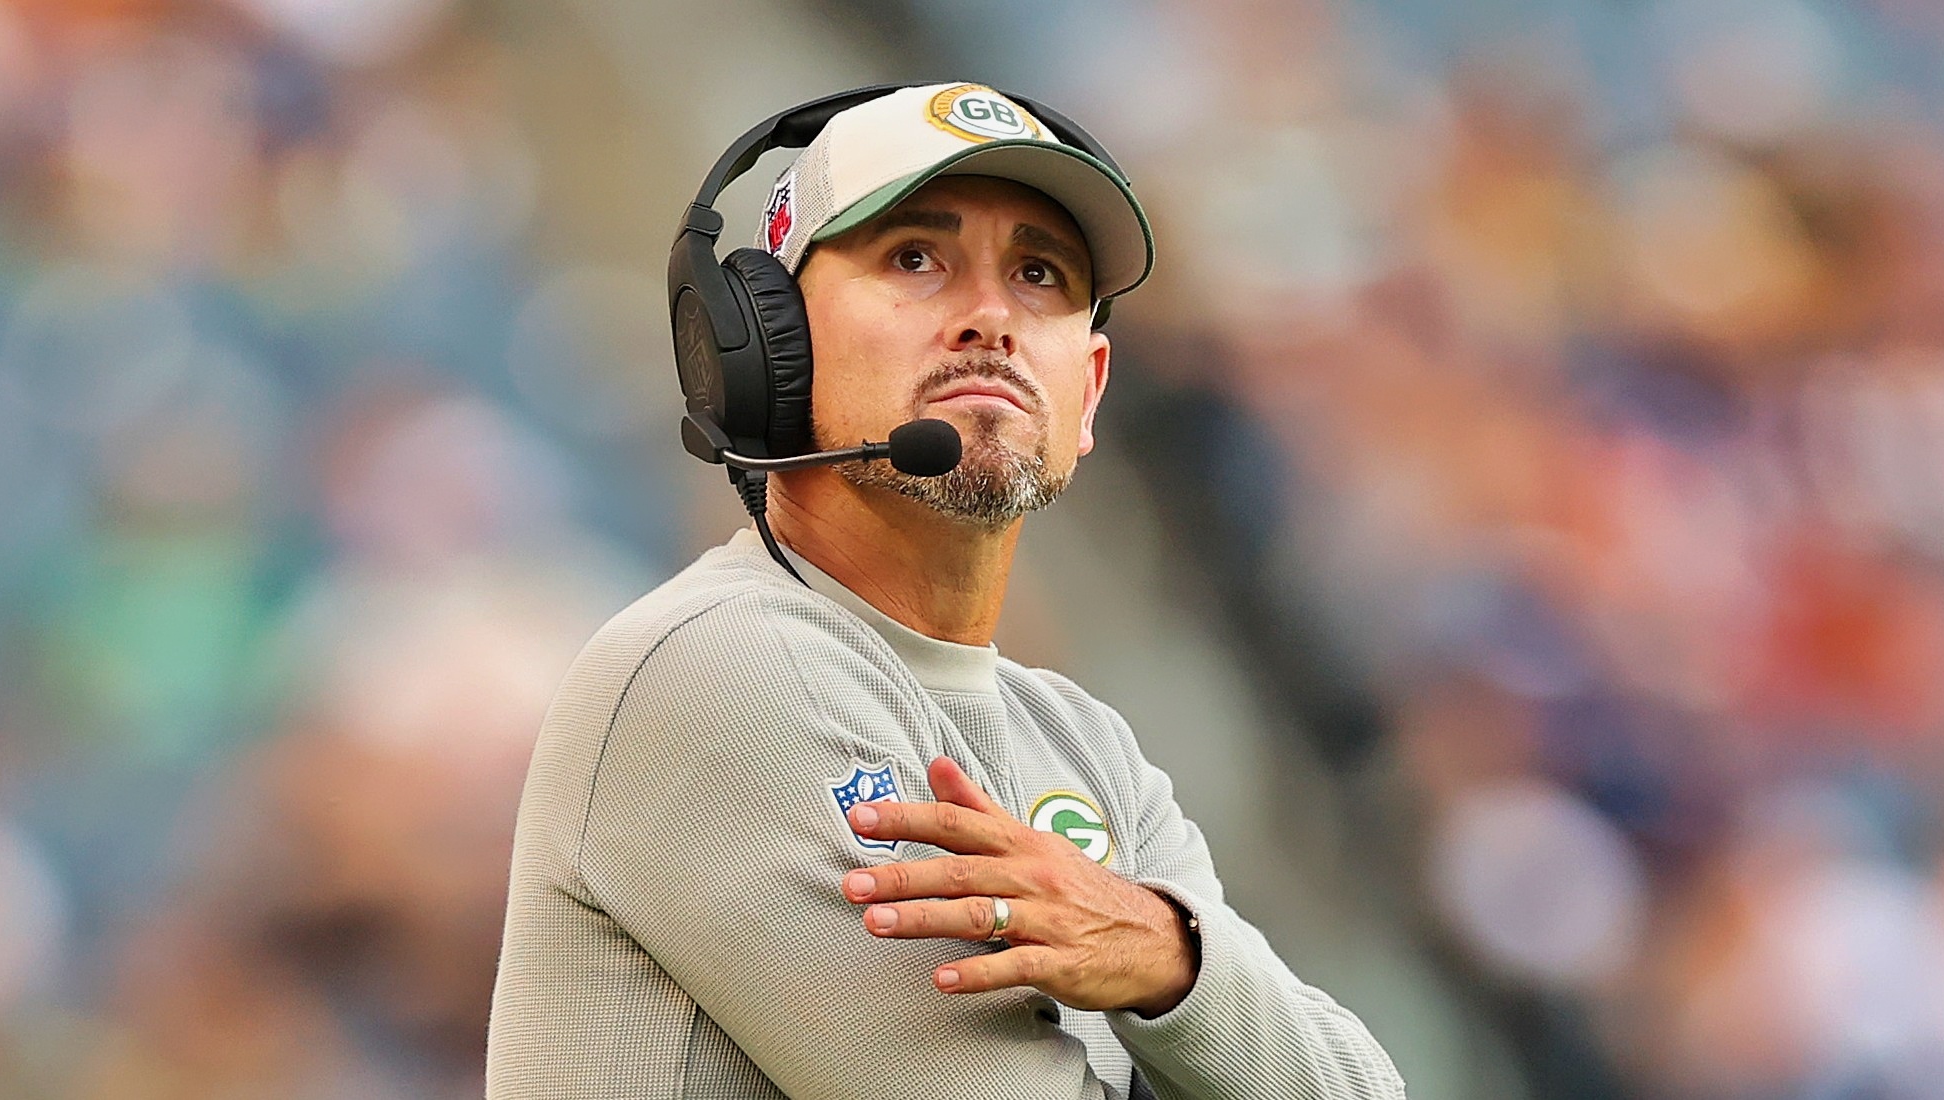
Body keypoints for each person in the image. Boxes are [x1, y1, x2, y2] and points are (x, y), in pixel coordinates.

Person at [486, 82, 1405, 1099]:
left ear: (1089, 389)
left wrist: (1168, 953)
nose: (989, 318)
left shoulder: (1085, 745)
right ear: (761, 348)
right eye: (914, 258)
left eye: (1039, 273)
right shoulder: (716, 667)